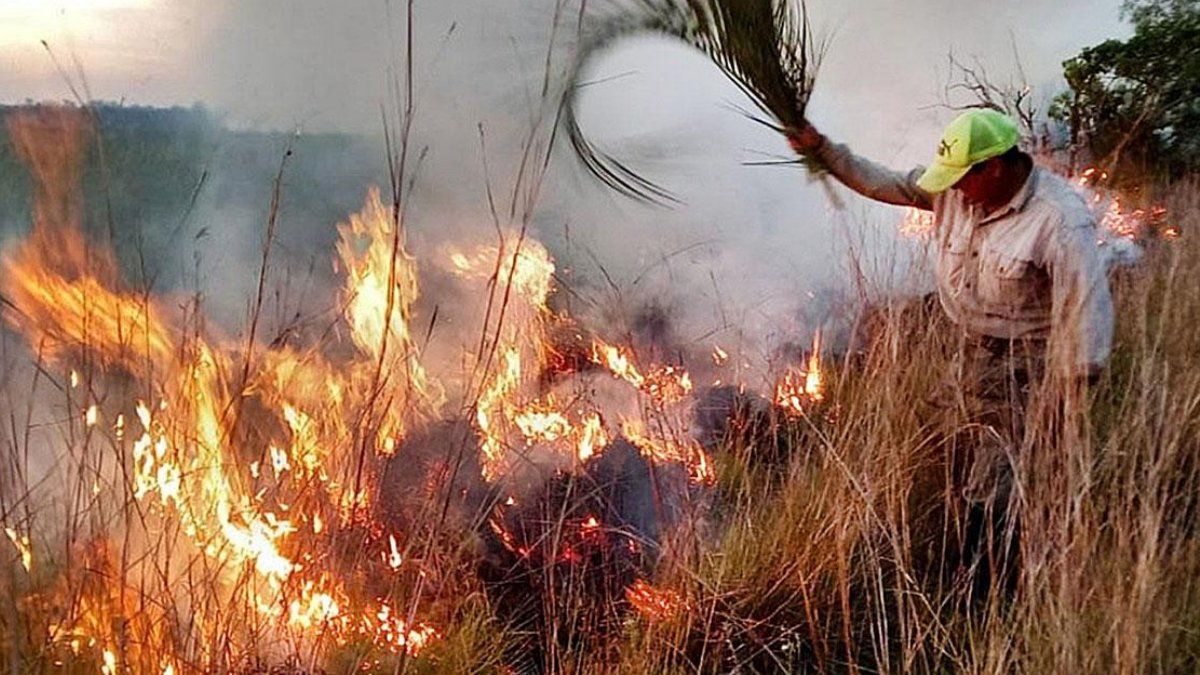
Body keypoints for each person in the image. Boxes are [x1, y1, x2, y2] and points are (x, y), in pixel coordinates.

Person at [788, 108, 1114, 600]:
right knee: (942, 451)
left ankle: (983, 594)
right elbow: (885, 183)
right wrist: (822, 150)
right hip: (969, 351)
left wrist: (1064, 400)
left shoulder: (1058, 220)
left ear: (995, 167)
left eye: (962, 178)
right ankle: (962, 535)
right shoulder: (955, 190)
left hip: (1027, 364)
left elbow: (1087, 312)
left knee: (994, 480)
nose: (953, 190)